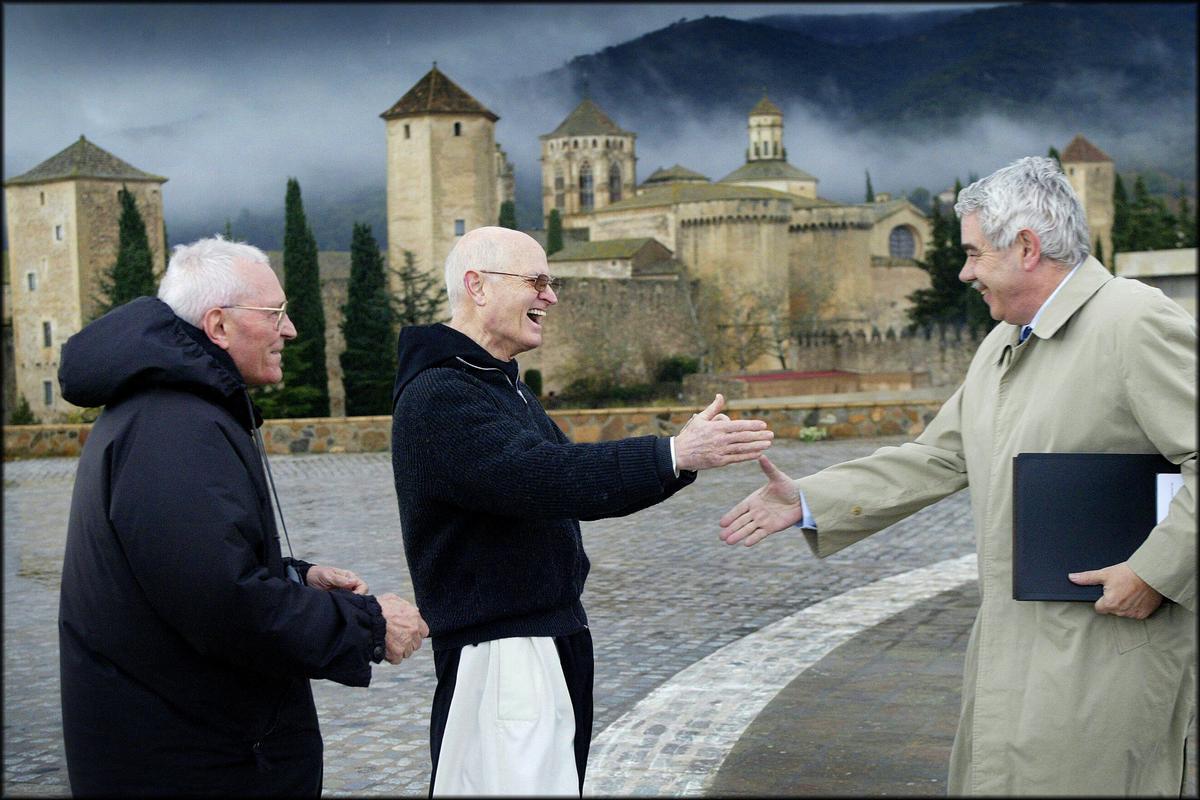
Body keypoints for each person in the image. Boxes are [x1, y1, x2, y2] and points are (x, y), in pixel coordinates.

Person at [720, 156, 1196, 796]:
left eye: (974, 252)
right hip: (1012, 645)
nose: (964, 270)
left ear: (1027, 247)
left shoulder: (1134, 322)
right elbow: (939, 456)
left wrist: (1153, 572)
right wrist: (809, 499)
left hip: (1108, 648)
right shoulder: (1002, 345)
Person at [391, 226, 775, 795]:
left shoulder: (497, 385)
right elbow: (546, 477)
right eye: (537, 282)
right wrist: (673, 452)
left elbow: (569, 476)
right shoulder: (442, 396)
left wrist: (677, 462)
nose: (551, 296)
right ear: (477, 286)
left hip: (539, 639)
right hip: (504, 656)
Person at [57, 236, 429, 796]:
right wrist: (368, 624)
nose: (290, 329)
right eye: (275, 313)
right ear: (219, 326)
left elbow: (189, 567)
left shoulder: (177, 412)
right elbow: (221, 602)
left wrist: (294, 575)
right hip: (191, 766)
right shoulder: (173, 428)